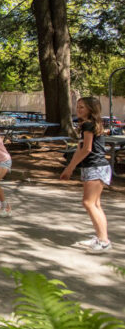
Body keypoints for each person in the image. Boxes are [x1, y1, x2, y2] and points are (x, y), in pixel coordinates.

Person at [60, 97, 112, 253]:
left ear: (91, 109)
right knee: (95, 204)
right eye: (78, 106)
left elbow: (87, 149)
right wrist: (71, 166)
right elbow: (80, 148)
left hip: (96, 167)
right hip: (92, 167)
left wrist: (70, 168)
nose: (78, 109)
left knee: (88, 203)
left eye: (82, 107)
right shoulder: (85, 125)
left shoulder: (88, 125)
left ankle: (104, 241)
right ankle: (100, 237)